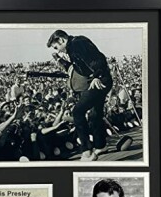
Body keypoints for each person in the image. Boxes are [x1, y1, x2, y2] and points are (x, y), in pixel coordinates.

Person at [47, 30, 113, 161]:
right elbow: (78, 68)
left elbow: (98, 58)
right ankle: (100, 145)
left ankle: (86, 151)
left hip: (99, 81)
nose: (59, 51)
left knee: (77, 112)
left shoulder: (77, 43)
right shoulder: (73, 46)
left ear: (61, 40)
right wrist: (59, 59)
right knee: (95, 114)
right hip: (101, 79)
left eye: (57, 47)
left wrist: (96, 76)